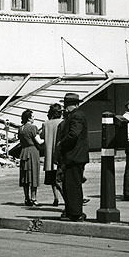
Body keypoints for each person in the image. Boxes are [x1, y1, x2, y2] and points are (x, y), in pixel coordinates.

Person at [56, 92, 88, 222]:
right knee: (68, 185)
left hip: (75, 156)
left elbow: (73, 134)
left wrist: (61, 143)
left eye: (66, 105)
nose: (65, 108)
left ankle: (76, 213)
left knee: (73, 185)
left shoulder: (77, 116)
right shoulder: (74, 116)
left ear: (71, 105)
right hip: (72, 157)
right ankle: (71, 211)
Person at [18, 109, 43, 206]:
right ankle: (34, 198)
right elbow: (39, 141)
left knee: (25, 176)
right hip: (33, 152)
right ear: (29, 118)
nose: (34, 118)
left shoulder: (21, 128)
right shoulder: (33, 128)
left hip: (24, 152)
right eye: (32, 116)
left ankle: (26, 198)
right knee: (33, 175)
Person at [41, 103, 64, 207]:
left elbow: (42, 136)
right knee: (63, 179)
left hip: (49, 156)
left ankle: (56, 198)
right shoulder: (62, 122)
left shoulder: (46, 124)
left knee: (52, 180)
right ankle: (66, 197)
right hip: (60, 155)